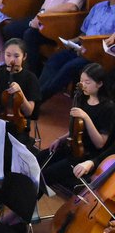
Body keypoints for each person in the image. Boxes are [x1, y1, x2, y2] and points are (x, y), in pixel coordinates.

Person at [40, 0, 115, 101]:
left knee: (68, 68)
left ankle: (38, 100)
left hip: (97, 56)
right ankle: (35, 93)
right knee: (55, 60)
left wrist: (88, 49)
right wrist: (71, 42)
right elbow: (84, 34)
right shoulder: (97, 8)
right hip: (80, 49)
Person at [38, 63, 113, 193]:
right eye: (81, 81)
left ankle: (26, 208)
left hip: (85, 155)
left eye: (87, 82)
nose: (82, 85)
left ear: (99, 84)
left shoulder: (108, 108)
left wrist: (86, 117)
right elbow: (76, 130)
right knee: (37, 160)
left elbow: (100, 143)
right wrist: (60, 139)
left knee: (44, 176)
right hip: (71, 146)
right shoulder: (82, 98)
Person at [0, 38, 40, 148]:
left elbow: (29, 112)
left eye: (16, 56)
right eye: (8, 55)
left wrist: (20, 93)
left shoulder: (30, 78)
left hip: (19, 129)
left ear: (24, 57)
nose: (12, 60)